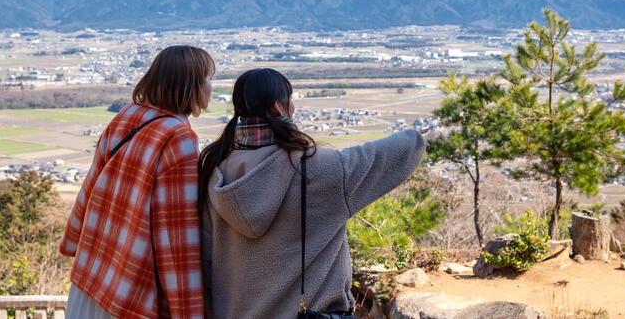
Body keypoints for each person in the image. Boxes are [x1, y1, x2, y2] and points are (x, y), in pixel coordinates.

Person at [199, 68, 430, 319]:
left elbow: (207, 258)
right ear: (279, 107)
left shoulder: (215, 170)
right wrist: (416, 140)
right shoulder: (317, 168)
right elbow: (375, 159)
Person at [60, 45, 214, 319]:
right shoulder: (178, 137)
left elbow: (91, 185)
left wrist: (72, 240)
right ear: (191, 84)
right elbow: (176, 235)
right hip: (128, 296)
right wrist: (187, 311)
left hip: (89, 278)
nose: (211, 86)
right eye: (208, 78)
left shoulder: (127, 115)